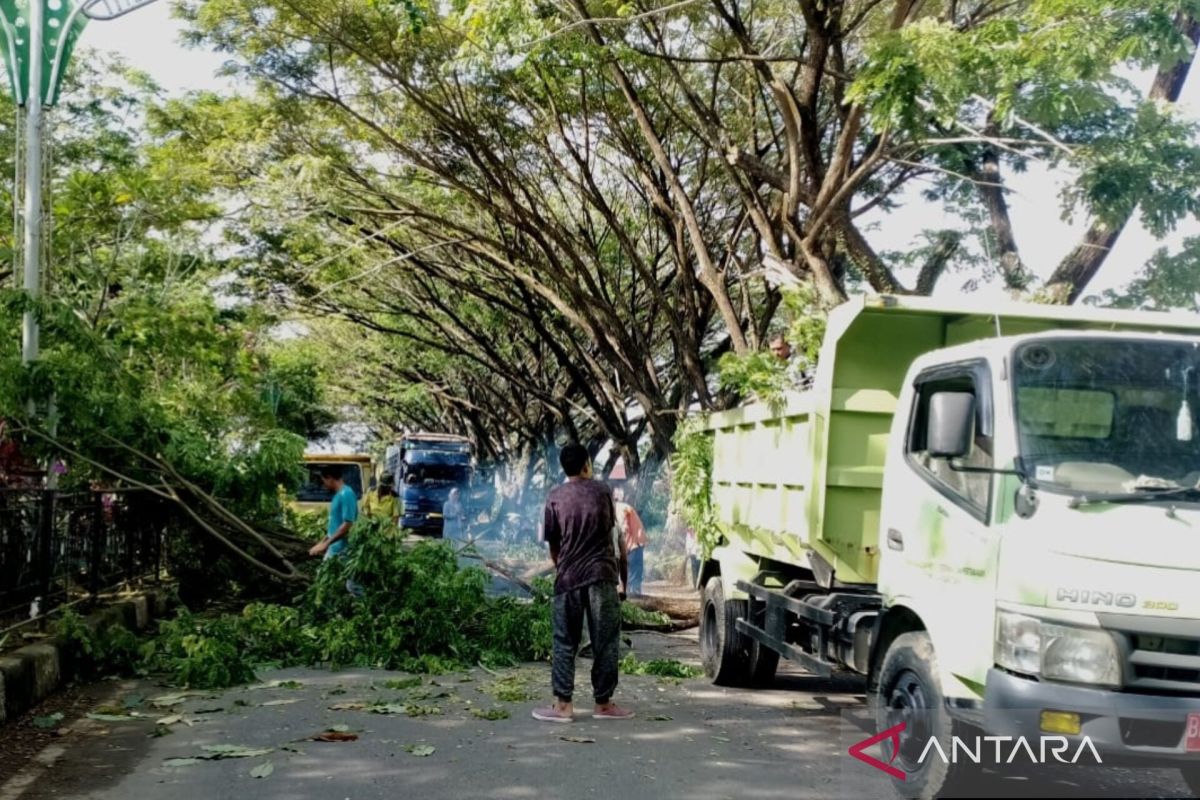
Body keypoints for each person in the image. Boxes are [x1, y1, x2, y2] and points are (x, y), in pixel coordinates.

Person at [533, 443, 634, 723]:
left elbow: (554, 545)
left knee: (565, 641)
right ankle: (603, 704)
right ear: (587, 465)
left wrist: (563, 566)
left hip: (568, 579)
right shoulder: (602, 491)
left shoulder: (553, 498)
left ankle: (563, 706)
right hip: (602, 576)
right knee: (605, 641)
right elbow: (610, 532)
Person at [309, 464, 362, 594]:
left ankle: (366, 609)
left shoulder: (346, 494)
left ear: (330, 478)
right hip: (336, 548)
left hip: (345, 549)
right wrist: (322, 542)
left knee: (353, 585)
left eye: (324, 481)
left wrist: (326, 544)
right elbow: (335, 525)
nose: (324, 484)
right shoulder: (339, 495)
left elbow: (347, 524)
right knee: (323, 581)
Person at [613, 487, 648, 597]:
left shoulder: (621, 508)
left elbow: (624, 529)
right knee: (632, 568)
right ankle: (631, 591)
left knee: (633, 568)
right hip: (633, 542)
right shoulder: (624, 507)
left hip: (634, 542)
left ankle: (633, 593)